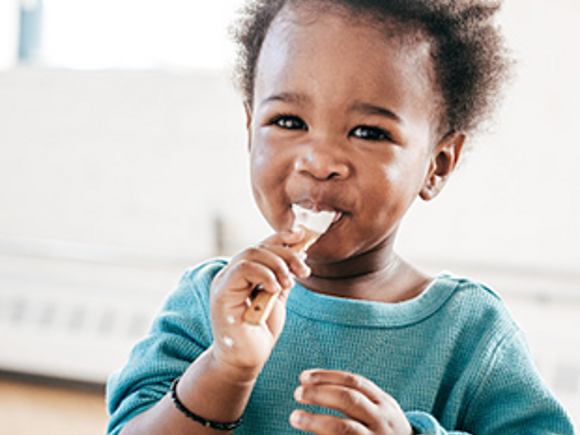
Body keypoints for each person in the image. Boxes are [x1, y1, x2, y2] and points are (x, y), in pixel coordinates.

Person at [106, 0, 575, 434]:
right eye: (289, 122)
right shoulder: (205, 304)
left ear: (438, 164)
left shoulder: (470, 334)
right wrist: (225, 368)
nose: (319, 160)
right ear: (251, 131)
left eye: (369, 131)